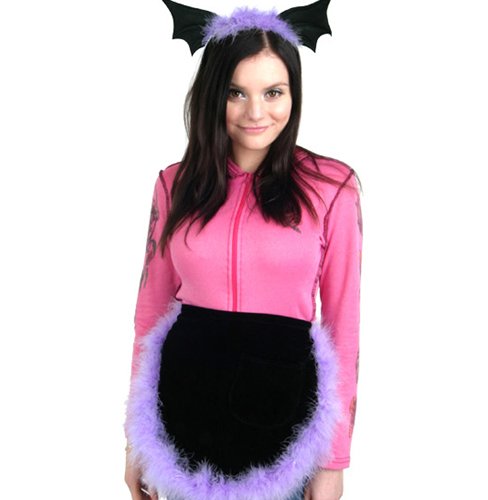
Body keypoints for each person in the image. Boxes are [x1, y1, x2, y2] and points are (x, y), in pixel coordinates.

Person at [124, 1, 363, 499]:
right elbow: (149, 313)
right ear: (214, 94)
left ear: (293, 93)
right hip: (184, 423)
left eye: (273, 92)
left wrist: (334, 459)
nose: (256, 112)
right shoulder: (175, 185)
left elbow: (344, 324)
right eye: (236, 92)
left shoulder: (332, 188)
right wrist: (136, 443)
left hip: (284, 426)